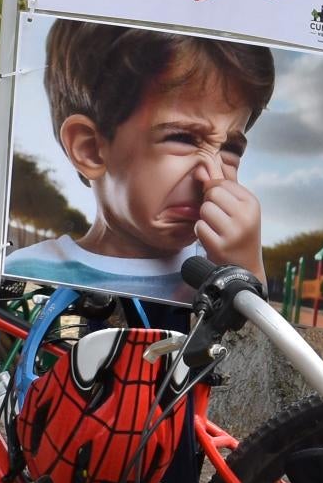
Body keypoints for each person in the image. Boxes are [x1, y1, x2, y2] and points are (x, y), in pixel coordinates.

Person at [15, 21, 275, 299]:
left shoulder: (220, 268)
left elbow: (255, 343)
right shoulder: (30, 273)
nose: (212, 175)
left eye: (231, 148)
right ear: (90, 149)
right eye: (183, 139)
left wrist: (245, 274)